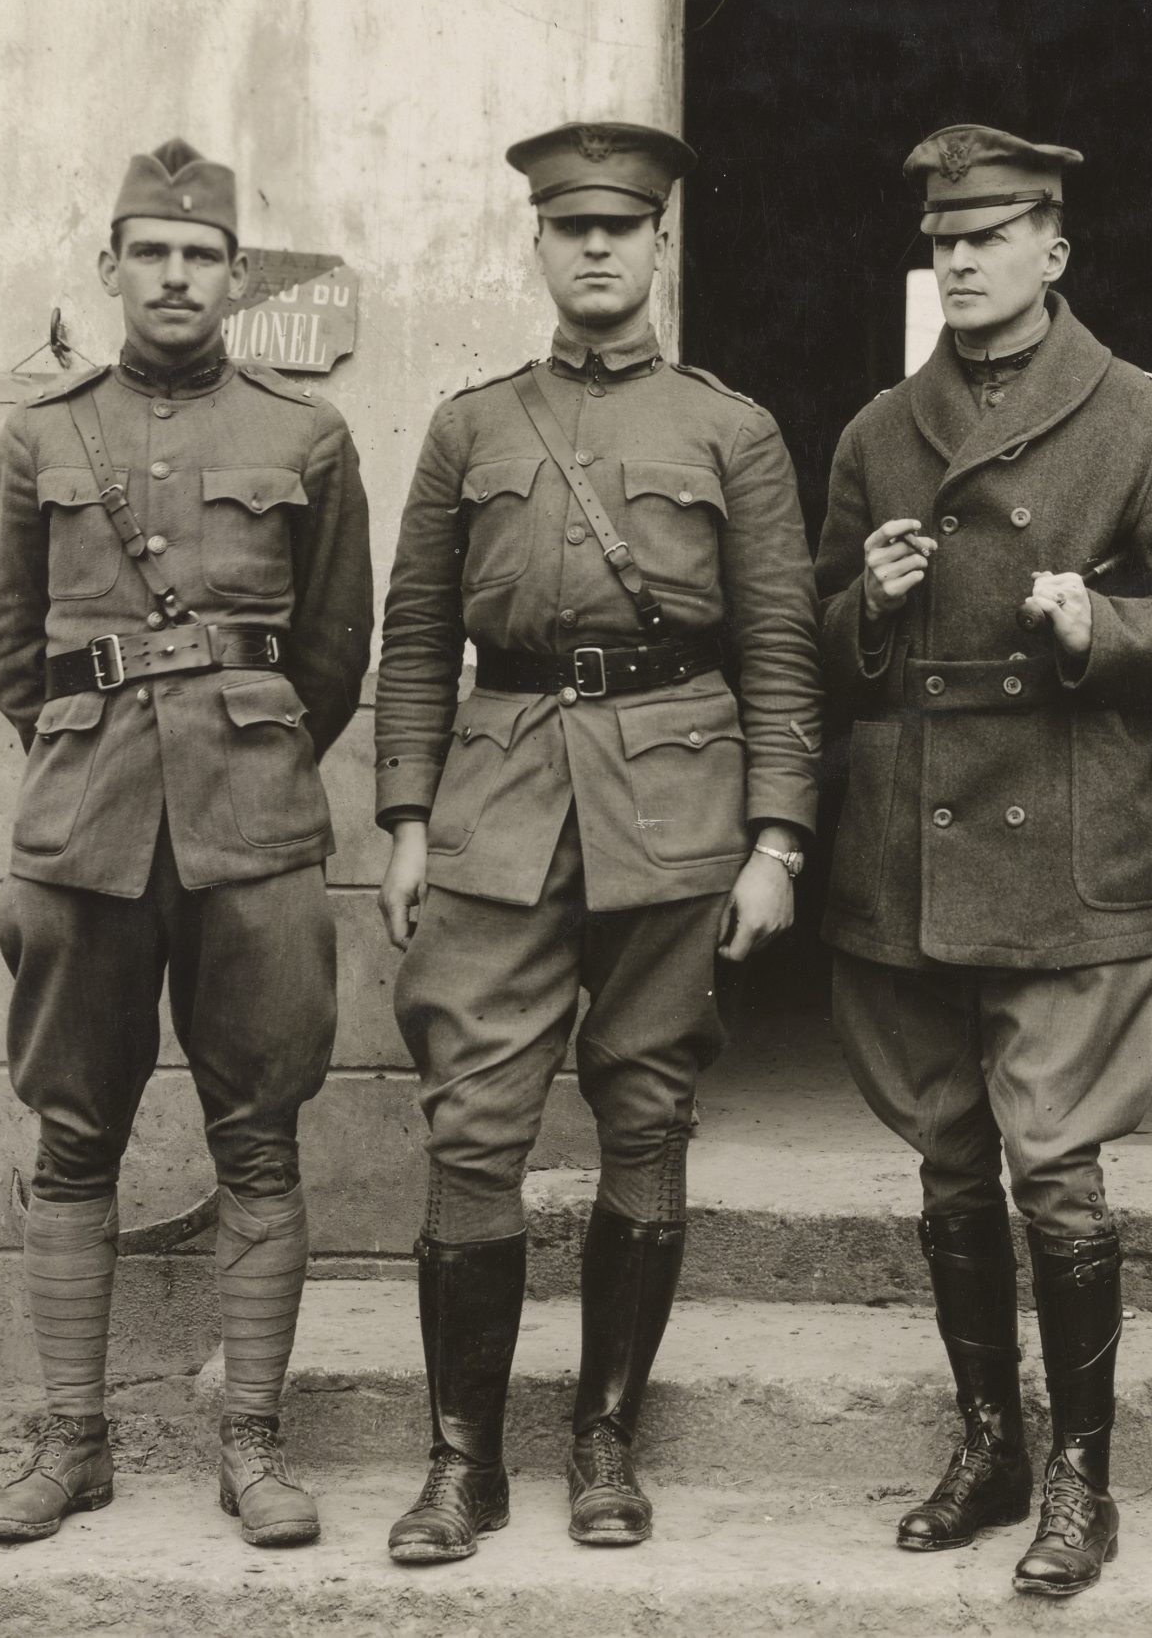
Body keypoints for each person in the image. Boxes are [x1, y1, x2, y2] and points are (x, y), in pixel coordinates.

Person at [372, 121, 823, 1562]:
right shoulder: (472, 428)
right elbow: (414, 637)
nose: (596, 251)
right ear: (539, 246)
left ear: (659, 245)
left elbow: (782, 647)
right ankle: (464, 1465)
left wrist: (777, 840)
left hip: (678, 807)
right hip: (497, 800)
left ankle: (605, 1441)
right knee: (473, 1122)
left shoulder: (731, 430)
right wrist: (404, 819)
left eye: (620, 229)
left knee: (647, 1111)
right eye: (572, 230)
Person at [811, 125, 1152, 1597]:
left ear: (1054, 251)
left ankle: (1082, 1480)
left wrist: (1101, 628)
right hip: (914, 845)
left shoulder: (1141, 416)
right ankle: (991, 1446)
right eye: (943, 241)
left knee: (1055, 1166)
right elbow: (818, 648)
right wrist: (869, 609)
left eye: (989, 238)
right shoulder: (879, 430)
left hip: (1067, 836)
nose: (959, 261)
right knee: (950, 1161)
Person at [0, 138, 374, 1547]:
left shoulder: (305, 436)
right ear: (112, 268)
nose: (177, 277)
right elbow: (9, 650)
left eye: (203, 256)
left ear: (238, 277)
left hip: (253, 832)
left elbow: (333, 652)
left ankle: (251, 1445)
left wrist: (246, 751)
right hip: (83, 834)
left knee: (258, 1141)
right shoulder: (40, 436)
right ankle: (72, 1441)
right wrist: (90, 754)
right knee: (74, 1138)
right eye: (152, 253)